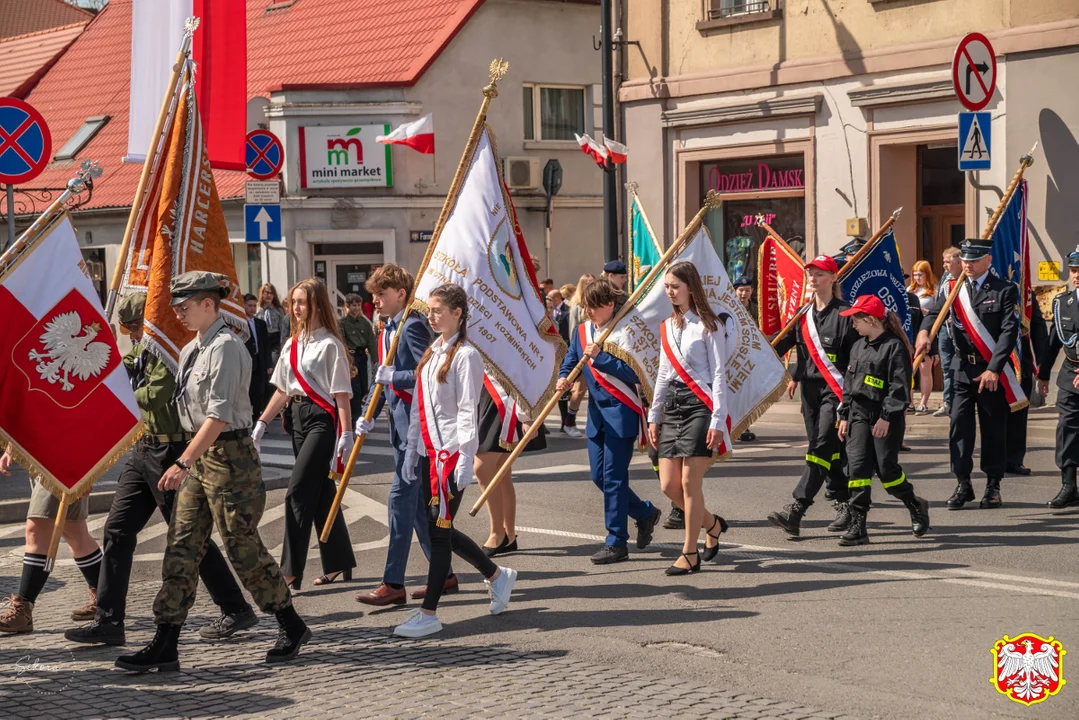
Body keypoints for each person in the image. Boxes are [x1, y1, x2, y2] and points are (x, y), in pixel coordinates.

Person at [116, 271, 309, 672]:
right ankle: (165, 641)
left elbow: (219, 416)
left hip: (229, 458)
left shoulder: (226, 348)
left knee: (242, 546)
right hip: (199, 454)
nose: (179, 314)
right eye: (176, 307)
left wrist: (182, 461)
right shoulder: (191, 350)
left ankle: (290, 625)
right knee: (181, 546)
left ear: (208, 304)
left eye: (185, 307)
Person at [65, 294, 256, 647]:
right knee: (117, 530)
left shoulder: (174, 354)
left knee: (189, 537)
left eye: (138, 325)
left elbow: (154, 395)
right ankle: (109, 621)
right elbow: (119, 373)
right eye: (129, 327)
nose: (134, 333)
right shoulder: (141, 353)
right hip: (145, 449)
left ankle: (235, 607)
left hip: (174, 449)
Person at [393, 284, 517, 638]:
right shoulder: (432, 352)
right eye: (429, 310)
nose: (430, 316)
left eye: (437, 310)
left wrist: (465, 459)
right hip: (431, 454)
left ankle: (429, 612)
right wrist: (412, 450)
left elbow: (467, 411)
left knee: (438, 534)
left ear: (457, 313)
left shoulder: (466, 355)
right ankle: (496, 575)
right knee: (439, 530)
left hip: (451, 455)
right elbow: (420, 408)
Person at [253, 278, 357, 589]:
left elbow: (341, 395)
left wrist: (346, 434)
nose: (297, 308)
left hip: (321, 421)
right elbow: (283, 390)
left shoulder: (331, 345)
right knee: (322, 493)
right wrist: (262, 422)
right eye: (294, 302)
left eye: (303, 302)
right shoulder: (292, 344)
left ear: (317, 305)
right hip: (296, 417)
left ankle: (289, 571)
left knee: (296, 492)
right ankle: (338, 561)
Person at [353, 264, 443, 606]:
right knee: (418, 506)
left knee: (399, 500)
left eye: (381, 294)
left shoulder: (412, 326)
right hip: (398, 426)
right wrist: (366, 416)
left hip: (417, 429)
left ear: (401, 295)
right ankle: (443, 573)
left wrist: (395, 376)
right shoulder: (385, 329)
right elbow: (380, 381)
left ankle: (393, 582)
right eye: (373, 294)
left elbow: (426, 374)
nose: (374, 300)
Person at [555, 278, 661, 564]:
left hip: (621, 411)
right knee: (599, 477)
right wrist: (564, 377)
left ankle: (616, 541)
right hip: (597, 415)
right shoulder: (581, 332)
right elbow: (571, 359)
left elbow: (635, 373)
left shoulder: (625, 331)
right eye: (586, 307)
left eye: (594, 307)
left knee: (614, 478)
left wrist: (601, 358)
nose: (588, 312)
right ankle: (644, 512)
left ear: (610, 305)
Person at [916, 238, 1022, 510]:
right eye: (965, 260)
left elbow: (1009, 332)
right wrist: (925, 332)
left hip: (990, 371)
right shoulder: (953, 288)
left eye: (973, 260)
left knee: (993, 428)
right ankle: (963, 482)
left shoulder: (1004, 290)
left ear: (987, 261)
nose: (968, 265)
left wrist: (994, 369)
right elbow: (935, 313)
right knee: (959, 429)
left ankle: (993, 485)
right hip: (962, 368)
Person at [647, 262, 730, 574]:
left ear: (691, 288)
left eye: (675, 286)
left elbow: (720, 374)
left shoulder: (710, 326)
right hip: (673, 405)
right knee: (669, 485)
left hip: (700, 406)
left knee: (688, 482)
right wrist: (654, 415)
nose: (670, 291)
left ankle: (689, 553)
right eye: (667, 286)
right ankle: (713, 524)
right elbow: (662, 374)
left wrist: (717, 420)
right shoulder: (667, 326)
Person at [768, 255, 859, 537]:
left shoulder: (845, 314)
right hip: (809, 391)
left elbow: (854, 360)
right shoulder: (802, 314)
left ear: (833, 278)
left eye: (820, 274)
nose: (813, 278)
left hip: (836, 391)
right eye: (811, 274)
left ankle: (797, 508)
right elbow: (784, 346)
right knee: (826, 449)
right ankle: (846, 504)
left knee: (820, 445)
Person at [836, 295, 930, 545]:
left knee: (887, 472)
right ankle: (858, 525)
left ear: (870, 319)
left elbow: (899, 388)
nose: (853, 324)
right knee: (856, 470)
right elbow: (849, 385)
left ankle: (914, 503)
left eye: (856, 319)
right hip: (857, 415)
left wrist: (886, 417)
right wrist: (844, 415)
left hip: (883, 418)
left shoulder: (894, 347)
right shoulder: (858, 346)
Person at [0, 447, 101, 634]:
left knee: (36, 528)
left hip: (65, 456)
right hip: (43, 455)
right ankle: (105, 598)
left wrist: (86, 469)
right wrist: (12, 447)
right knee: (73, 531)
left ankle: (23, 609)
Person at [1038, 246, 1079, 508]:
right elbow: (1054, 342)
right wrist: (1043, 375)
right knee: (1067, 429)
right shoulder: (1063, 302)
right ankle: (1068, 485)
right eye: (1074, 270)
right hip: (1069, 376)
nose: (1076, 275)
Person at [1006, 294, 1047, 476]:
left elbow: (1037, 326)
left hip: (1020, 363)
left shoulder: (1023, 292)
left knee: (1019, 413)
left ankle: (1014, 460)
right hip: (989, 364)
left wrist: (1043, 364)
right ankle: (995, 461)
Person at [561, 274, 596, 440]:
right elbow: (574, 332)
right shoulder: (576, 307)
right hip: (583, 352)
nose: (591, 285)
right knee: (579, 390)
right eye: (587, 283)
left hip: (596, 351)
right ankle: (570, 420)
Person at [340, 292, 378, 422]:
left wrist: (375, 360)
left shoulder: (364, 323)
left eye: (358, 305)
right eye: (353, 305)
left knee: (363, 387)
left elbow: (371, 342)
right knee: (354, 388)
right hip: (350, 357)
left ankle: (355, 411)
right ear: (347, 306)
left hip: (362, 357)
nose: (356, 308)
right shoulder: (343, 323)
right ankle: (355, 417)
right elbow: (341, 341)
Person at [934, 247, 962, 417]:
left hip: (960, 329)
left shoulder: (965, 279)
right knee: (946, 367)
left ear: (959, 262)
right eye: (943, 261)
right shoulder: (946, 278)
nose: (944, 265)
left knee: (960, 366)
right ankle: (947, 402)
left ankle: (959, 401)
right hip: (945, 328)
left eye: (947, 261)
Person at [907, 261, 939, 414]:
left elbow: (938, 313)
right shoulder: (909, 290)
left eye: (920, 274)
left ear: (927, 274)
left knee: (925, 368)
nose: (917, 277)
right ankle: (909, 401)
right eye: (915, 274)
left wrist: (926, 312)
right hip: (911, 332)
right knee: (908, 368)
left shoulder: (933, 291)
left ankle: (923, 402)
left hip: (927, 331)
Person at [733, 275, 758, 442]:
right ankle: (736, 426)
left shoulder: (757, 309)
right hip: (734, 357)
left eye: (747, 290)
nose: (743, 294)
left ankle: (745, 426)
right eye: (741, 290)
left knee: (749, 394)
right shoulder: (729, 309)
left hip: (751, 357)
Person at [244, 293, 272, 421]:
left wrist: (268, 364)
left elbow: (266, 345)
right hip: (246, 362)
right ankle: (247, 419)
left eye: (254, 306)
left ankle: (257, 418)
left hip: (260, 363)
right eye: (249, 305)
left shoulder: (260, 323)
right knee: (247, 391)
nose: (252, 308)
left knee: (259, 391)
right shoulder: (239, 323)